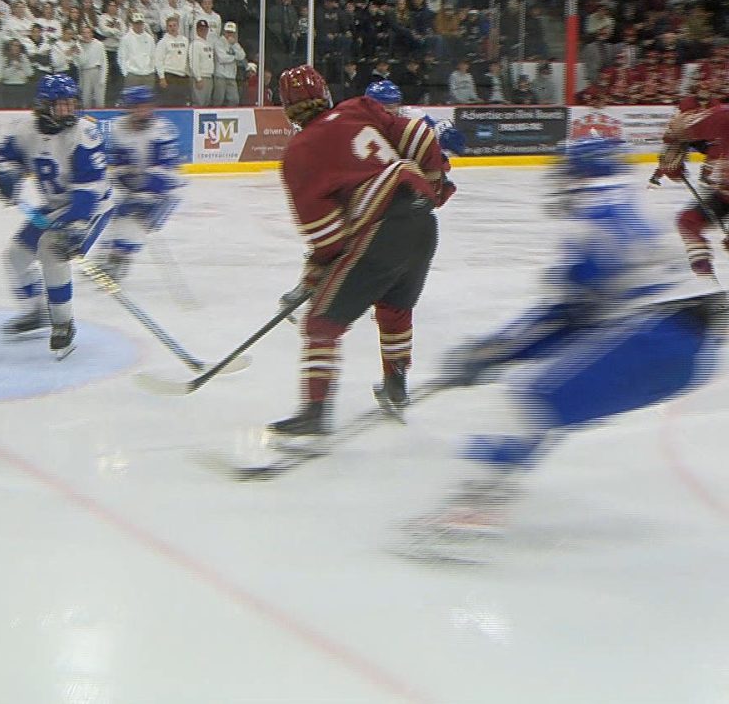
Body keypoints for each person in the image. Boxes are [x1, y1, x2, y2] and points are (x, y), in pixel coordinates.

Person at [401, 137, 726, 561]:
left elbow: (565, 316)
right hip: (690, 345)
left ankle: (472, 514)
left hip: (657, 335)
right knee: (545, 404)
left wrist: (493, 352)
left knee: (528, 402)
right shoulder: (630, 204)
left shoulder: (594, 213)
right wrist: (502, 353)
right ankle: (481, 501)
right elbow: (583, 318)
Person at [267, 64, 455, 447]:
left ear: (287, 109)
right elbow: (419, 133)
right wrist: (435, 183)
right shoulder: (359, 107)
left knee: (321, 322)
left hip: (384, 228)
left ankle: (315, 413)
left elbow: (326, 235)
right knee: (394, 307)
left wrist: (316, 275)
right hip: (423, 222)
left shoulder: (298, 153)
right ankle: (395, 385)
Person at [0, 74, 113, 359]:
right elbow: (6, 158)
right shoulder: (24, 129)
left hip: (92, 207)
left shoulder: (85, 134)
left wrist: (78, 225)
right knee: (15, 257)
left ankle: (62, 323)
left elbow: (90, 189)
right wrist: (5, 175)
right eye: (62, 105)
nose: (69, 111)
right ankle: (35, 312)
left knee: (51, 250)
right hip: (55, 206)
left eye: (72, 104)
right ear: (44, 106)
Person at [95, 86, 182, 280]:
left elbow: (166, 173)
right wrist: (123, 176)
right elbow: (118, 162)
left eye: (146, 106)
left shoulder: (163, 131)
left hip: (163, 193)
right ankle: (106, 256)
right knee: (114, 217)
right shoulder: (119, 128)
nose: (143, 111)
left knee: (133, 222)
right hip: (134, 189)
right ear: (129, 108)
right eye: (138, 107)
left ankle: (119, 260)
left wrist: (144, 189)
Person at [656, 101, 729, 277]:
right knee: (689, 221)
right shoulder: (722, 116)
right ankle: (703, 284)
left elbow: (677, 129)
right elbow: (677, 129)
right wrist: (671, 154)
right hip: (724, 193)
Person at [365, 79, 466, 156]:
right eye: (384, 106)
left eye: (393, 106)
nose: (388, 111)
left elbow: (436, 128)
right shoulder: (360, 119)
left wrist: (445, 134)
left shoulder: (410, 114)